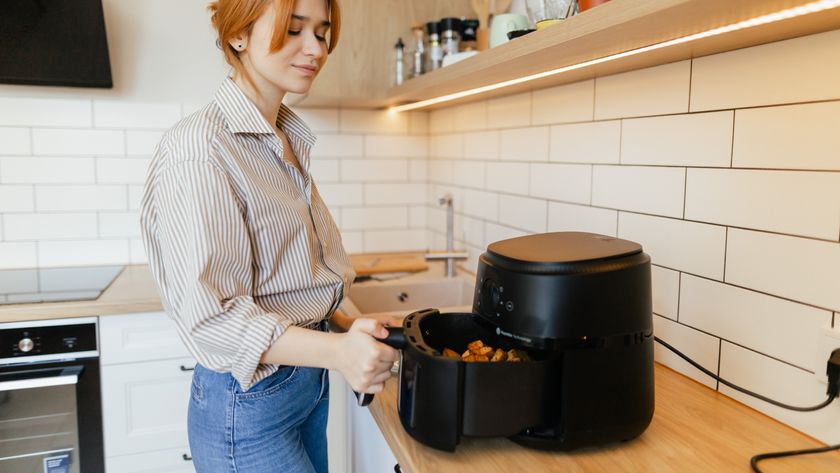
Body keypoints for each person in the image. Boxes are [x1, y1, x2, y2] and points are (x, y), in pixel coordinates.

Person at [139, 0, 398, 471]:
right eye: (294, 30)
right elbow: (211, 318)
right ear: (238, 35)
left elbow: (292, 278)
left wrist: (344, 324)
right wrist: (339, 352)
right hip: (249, 400)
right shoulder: (200, 148)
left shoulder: (283, 138)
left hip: (302, 384)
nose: (314, 48)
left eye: (322, 33)